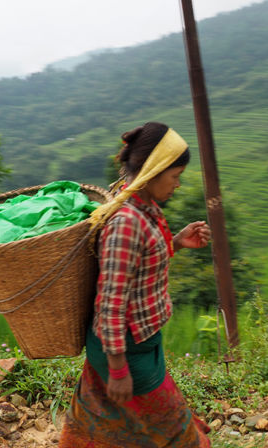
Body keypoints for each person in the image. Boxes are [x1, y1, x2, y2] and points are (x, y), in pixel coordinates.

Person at [60, 122, 212, 447]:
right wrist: (118, 369)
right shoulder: (126, 222)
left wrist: (177, 242)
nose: (178, 185)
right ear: (154, 171)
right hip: (124, 350)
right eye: (175, 176)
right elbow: (111, 303)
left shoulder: (139, 206)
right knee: (178, 436)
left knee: (98, 423)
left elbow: (138, 267)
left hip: (140, 342)